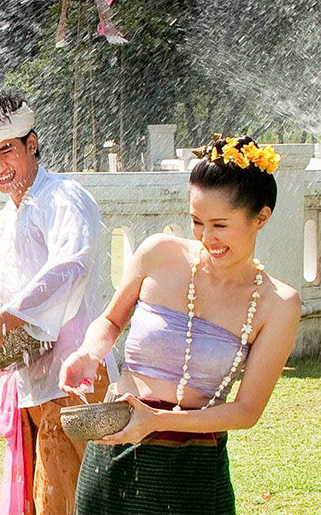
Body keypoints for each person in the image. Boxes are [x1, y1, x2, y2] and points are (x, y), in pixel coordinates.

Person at [60, 136, 300, 515]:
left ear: (261, 218)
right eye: (197, 222)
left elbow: (247, 410)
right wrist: (88, 353)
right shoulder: (159, 253)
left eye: (220, 225)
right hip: (115, 448)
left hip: (195, 468)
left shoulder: (278, 304)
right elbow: (109, 321)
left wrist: (156, 420)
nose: (206, 238)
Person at [0, 96, 115, 514]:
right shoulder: (0, 223)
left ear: (32, 143)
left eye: (7, 150)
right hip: (30, 379)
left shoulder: (63, 197)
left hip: (78, 374)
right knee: (46, 499)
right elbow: (2, 297)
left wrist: (2, 317)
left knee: (82, 500)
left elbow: (70, 267)